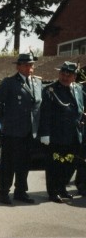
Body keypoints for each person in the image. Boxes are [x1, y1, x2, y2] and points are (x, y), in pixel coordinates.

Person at [0, 53, 42, 205]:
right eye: (26, 65)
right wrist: (6, 121)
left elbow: (37, 106)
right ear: (18, 66)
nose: (29, 68)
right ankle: (3, 192)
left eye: (31, 65)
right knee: (8, 164)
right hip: (12, 131)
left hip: (29, 131)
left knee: (24, 164)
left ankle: (20, 192)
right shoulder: (9, 82)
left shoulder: (37, 82)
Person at [38, 61, 84, 203]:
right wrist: (45, 134)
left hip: (74, 135)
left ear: (74, 77)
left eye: (68, 75)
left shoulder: (78, 89)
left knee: (70, 164)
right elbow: (45, 114)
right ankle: (53, 192)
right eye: (62, 74)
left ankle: (62, 188)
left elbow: (79, 108)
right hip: (56, 136)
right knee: (55, 165)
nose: (64, 77)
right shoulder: (50, 90)